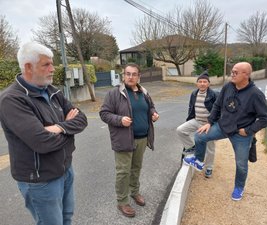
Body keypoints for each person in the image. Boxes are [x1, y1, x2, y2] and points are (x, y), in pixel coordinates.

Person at [0, 42, 88, 225]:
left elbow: (82, 119)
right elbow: (42, 142)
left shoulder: (51, 90)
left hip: (65, 169)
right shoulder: (12, 100)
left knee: (66, 217)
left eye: (52, 63)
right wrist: (69, 126)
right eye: (46, 64)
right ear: (28, 67)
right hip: (40, 180)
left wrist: (59, 128)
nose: (53, 69)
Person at [183, 62, 267, 201]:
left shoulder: (255, 94)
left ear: (246, 75)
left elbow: (266, 118)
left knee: (241, 165)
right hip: (222, 126)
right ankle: (199, 161)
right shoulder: (228, 86)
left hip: (241, 134)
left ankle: (239, 187)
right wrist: (209, 122)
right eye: (232, 71)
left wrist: (249, 130)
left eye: (236, 72)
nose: (232, 74)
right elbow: (217, 105)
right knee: (199, 136)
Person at [99, 63, 159, 217]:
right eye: (128, 74)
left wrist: (153, 113)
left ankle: (134, 192)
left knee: (136, 168)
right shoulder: (114, 94)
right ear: (123, 75)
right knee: (123, 172)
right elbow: (104, 113)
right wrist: (119, 120)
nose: (131, 77)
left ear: (139, 76)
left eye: (134, 74)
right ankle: (122, 201)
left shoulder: (144, 92)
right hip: (124, 139)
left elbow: (150, 106)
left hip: (142, 138)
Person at [176, 72, 218, 178]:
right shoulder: (194, 93)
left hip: (209, 124)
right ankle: (192, 147)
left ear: (208, 84)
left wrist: (212, 123)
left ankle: (209, 168)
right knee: (180, 130)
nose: (202, 84)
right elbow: (191, 108)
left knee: (210, 146)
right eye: (200, 81)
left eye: (205, 82)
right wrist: (189, 119)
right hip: (196, 121)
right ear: (197, 84)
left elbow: (218, 111)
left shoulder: (214, 95)